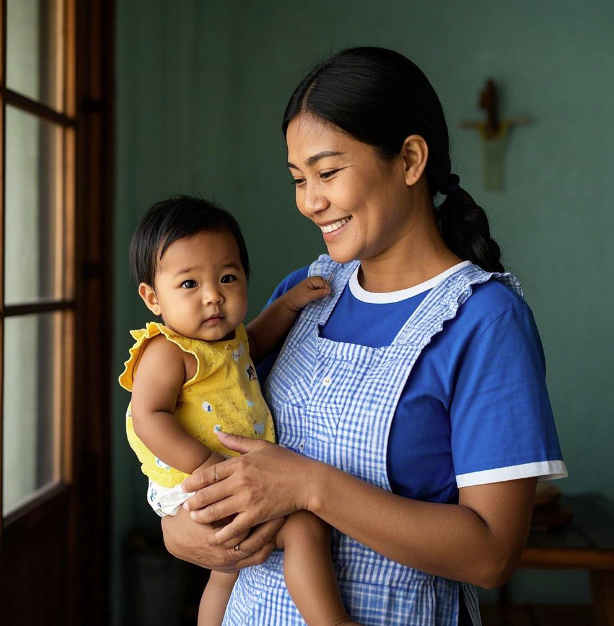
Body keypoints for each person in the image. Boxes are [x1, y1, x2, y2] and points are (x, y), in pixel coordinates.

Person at [161, 47, 568, 626]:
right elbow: (206, 436)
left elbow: (492, 554)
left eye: (327, 173)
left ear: (409, 159)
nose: (309, 202)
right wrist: (180, 531)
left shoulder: (485, 319)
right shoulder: (304, 292)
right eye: (299, 179)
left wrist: (310, 487)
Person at [119, 196, 360, 626]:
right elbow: (147, 417)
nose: (213, 297)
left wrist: (288, 304)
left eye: (227, 277)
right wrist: (209, 468)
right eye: (189, 284)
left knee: (224, 576)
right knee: (305, 528)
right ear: (153, 297)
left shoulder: (228, 341)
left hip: (226, 479)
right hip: (204, 479)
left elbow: (257, 344)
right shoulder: (167, 351)